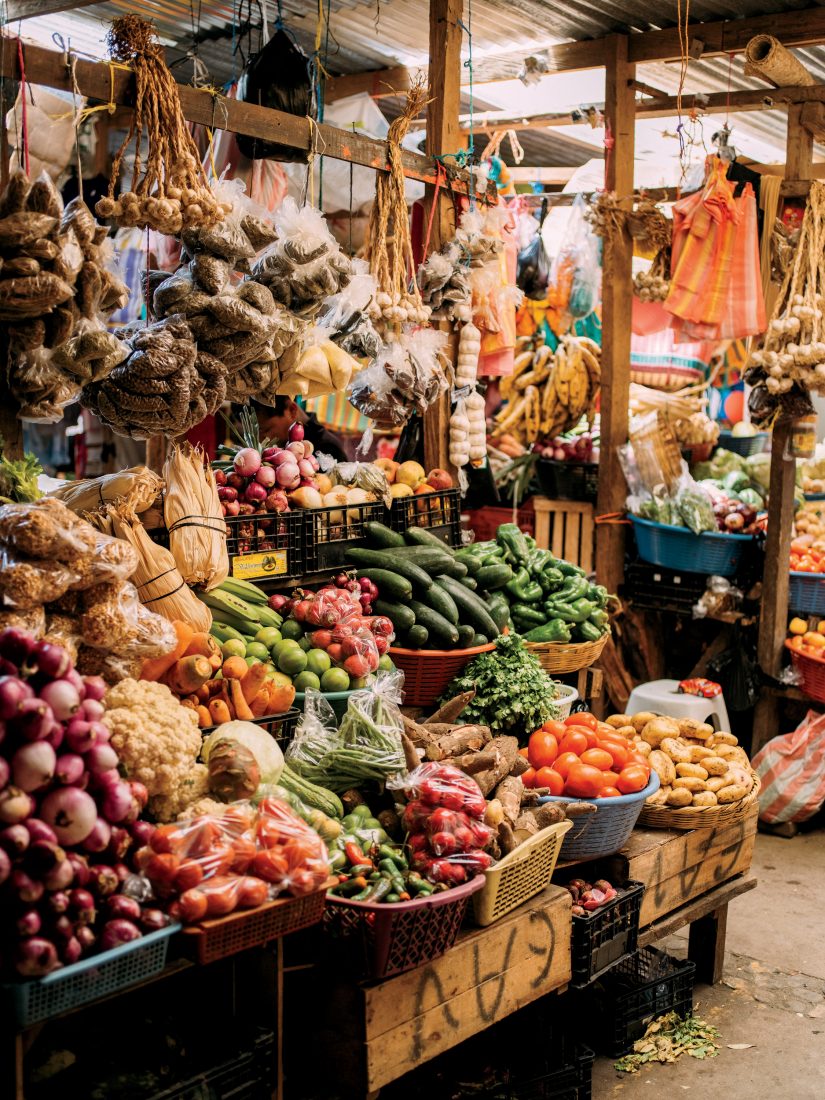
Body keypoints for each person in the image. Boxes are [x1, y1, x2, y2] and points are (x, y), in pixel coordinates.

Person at [252, 398, 349, 462]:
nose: (261, 439)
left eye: (266, 430)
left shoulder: (329, 448)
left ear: (292, 410)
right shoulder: (285, 445)